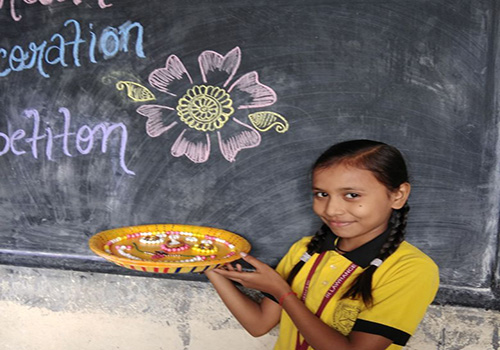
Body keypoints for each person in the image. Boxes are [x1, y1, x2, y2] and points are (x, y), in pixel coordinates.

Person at [205, 139, 439, 350]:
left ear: (398, 195)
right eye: (321, 194)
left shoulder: (411, 269)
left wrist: (282, 292)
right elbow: (259, 324)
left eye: (352, 195)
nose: (331, 210)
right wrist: (210, 267)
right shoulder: (305, 250)